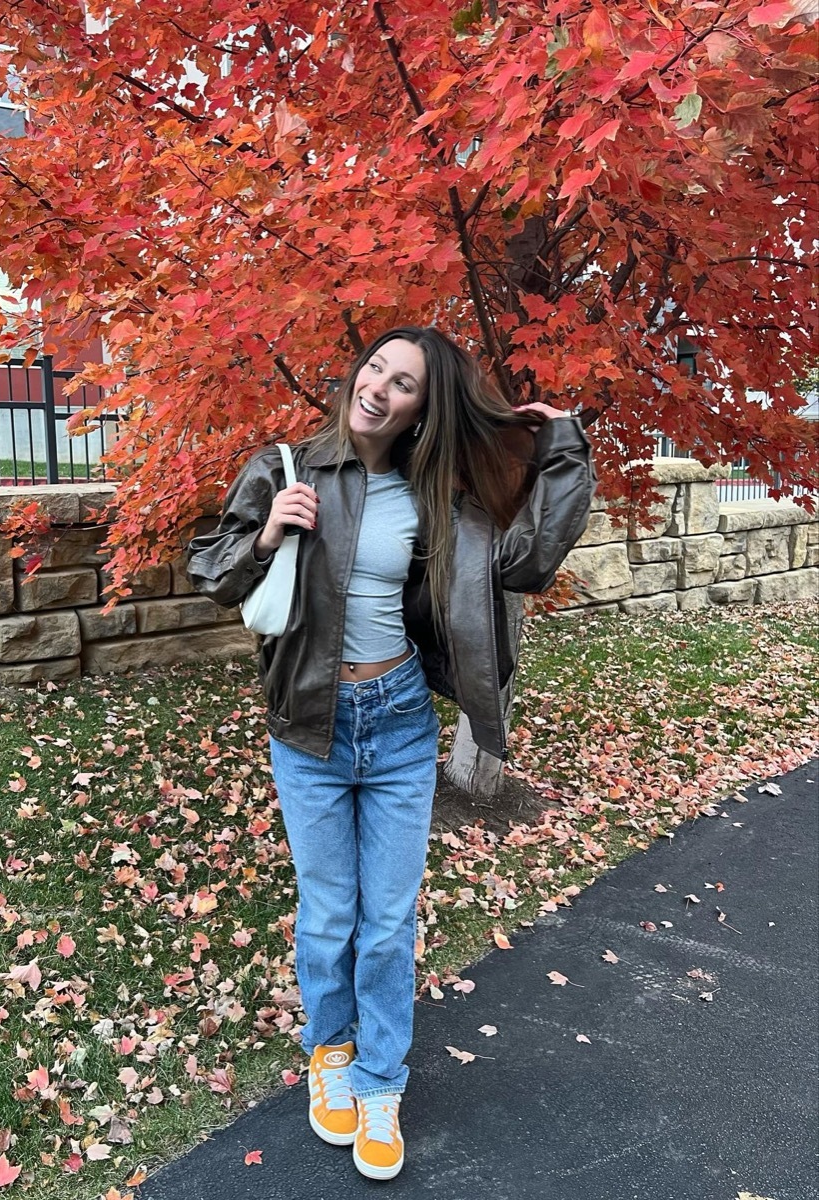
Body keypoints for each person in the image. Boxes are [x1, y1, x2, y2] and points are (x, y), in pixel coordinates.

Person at [186, 325, 596, 1181]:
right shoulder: (285, 467)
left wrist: (563, 449)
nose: (379, 387)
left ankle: (380, 1080)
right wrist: (266, 538)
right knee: (331, 912)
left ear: (422, 406)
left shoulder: (435, 494)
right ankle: (329, 1053)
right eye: (376, 367)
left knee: (386, 923)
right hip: (310, 725)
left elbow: (525, 565)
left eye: (402, 382)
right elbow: (212, 571)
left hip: (401, 719)